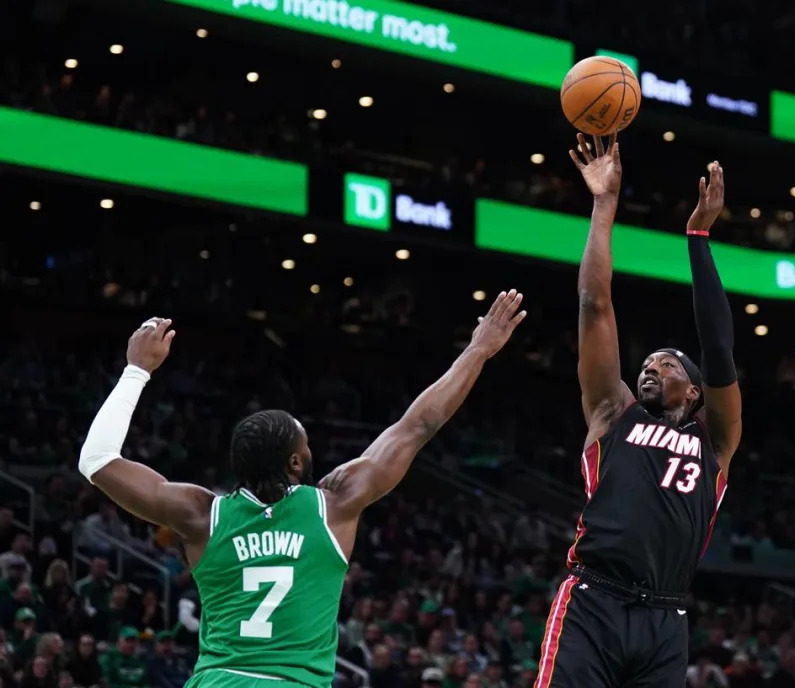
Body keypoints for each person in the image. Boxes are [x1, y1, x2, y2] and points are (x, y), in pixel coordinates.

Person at [78, 291, 527, 688]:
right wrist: (478, 351)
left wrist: (136, 370)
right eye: (306, 443)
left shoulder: (200, 515)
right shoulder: (334, 503)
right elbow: (417, 426)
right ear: (295, 462)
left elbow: (97, 460)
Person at [535, 135, 742, 687]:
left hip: (666, 618)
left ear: (694, 392)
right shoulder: (614, 412)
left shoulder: (715, 439)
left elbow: (719, 350)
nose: (649, 367)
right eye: (646, 362)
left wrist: (698, 237)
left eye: (667, 364)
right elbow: (593, 304)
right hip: (593, 602)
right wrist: (604, 204)